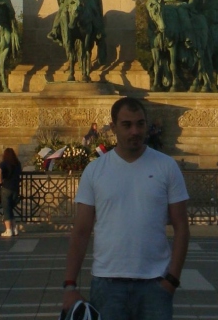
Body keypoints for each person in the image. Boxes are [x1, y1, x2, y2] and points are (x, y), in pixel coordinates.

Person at [61, 97, 189, 320]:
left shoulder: (166, 166)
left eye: (140, 124)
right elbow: (81, 231)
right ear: (113, 127)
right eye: (127, 125)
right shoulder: (95, 170)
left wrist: (172, 280)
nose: (135, 131)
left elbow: (182, 227)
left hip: (155, 284)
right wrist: (70, 285)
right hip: (107, 284)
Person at [0, 146, 22, 238]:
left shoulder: (4, 163)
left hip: (6, 187)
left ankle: (8, 230)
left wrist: (0, 181)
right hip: (16, 188)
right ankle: (14, 228)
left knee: (6, 209)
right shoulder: (17, 163)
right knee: (10, 209)